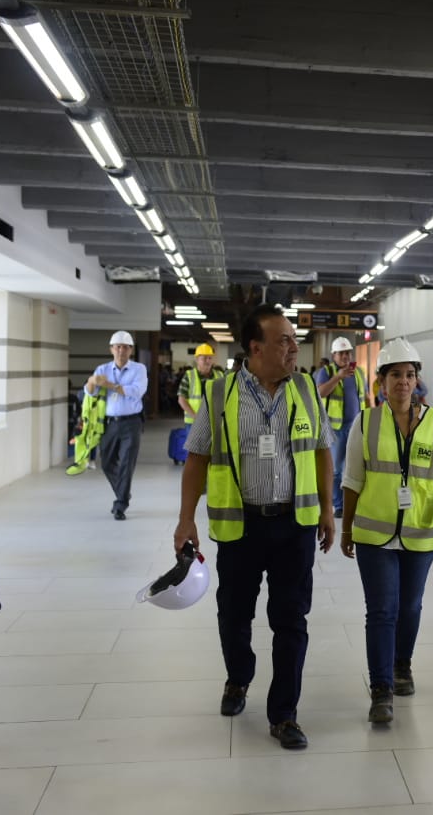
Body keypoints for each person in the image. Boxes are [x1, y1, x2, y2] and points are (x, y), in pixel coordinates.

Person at [173, 304, 335, 751]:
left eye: (293, 339)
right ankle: (238, 678)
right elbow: (197, 458)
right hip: (240, 527)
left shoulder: (305, 388)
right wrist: (186, 518)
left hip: (294, 525)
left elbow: (321, 449)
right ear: (255, 347)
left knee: (291, 619)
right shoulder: (221, 394)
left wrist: (327, 509)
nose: (292, 347)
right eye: (283, 340)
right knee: (234, 614)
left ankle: (284, 713)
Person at [341, 338, 433, 725]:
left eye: (409, 375)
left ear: (417, 380)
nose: (403, 382)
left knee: (410, 606)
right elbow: (352, 479)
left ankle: (402, 664)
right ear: (381, 382)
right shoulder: (365, 421)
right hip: (374, 534)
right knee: (382, 611)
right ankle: (381, 689)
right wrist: (346, 528)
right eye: (395, 375)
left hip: (421, 529)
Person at [86, 331, 148, 521]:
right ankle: (123, 492)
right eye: (117, 347)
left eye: (125, 347)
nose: (121, 350)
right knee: (107, 463)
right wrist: (91, 382)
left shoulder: (139, 369)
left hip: (132, 422)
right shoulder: (102, 369)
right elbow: (90, 393)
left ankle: (120, 504)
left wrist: (110, 385)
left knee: (126, 463)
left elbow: (136, 391)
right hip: (109, 423)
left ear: (131, 350)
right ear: (112, 349)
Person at [317, 337, 368, 513]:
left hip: (357, 427)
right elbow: (320, 393)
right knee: (336, 470)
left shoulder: (359, 373)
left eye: (348, 352)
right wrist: (338, 377)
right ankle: (338, 506)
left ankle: (354, 504)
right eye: (342, 353)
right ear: (334, 355)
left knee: (356, 468)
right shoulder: (327, 371)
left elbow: (366, 398)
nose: (346, 356)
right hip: (336, 429)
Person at [178, 343, 224, 432]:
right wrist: (195, 417)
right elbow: (181, 400)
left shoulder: (220, 375)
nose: (207, 361)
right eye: (204, 358)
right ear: (197, 359)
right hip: (193, 422)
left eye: (210, 358)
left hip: (215, 422)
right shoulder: (189, 375)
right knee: (195, 446)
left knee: (215, 446)